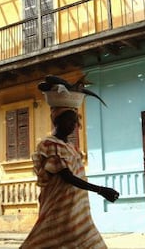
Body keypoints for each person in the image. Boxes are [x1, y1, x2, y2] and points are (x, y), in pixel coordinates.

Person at [20, 78, 119, 249]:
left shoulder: (71, 147)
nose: (73, 125)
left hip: (77, 208)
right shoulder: (50, 145)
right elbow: (67, 177)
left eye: (75, 122)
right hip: (60, 209)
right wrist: (101, 190)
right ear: (57, 121)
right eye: (69, 121)